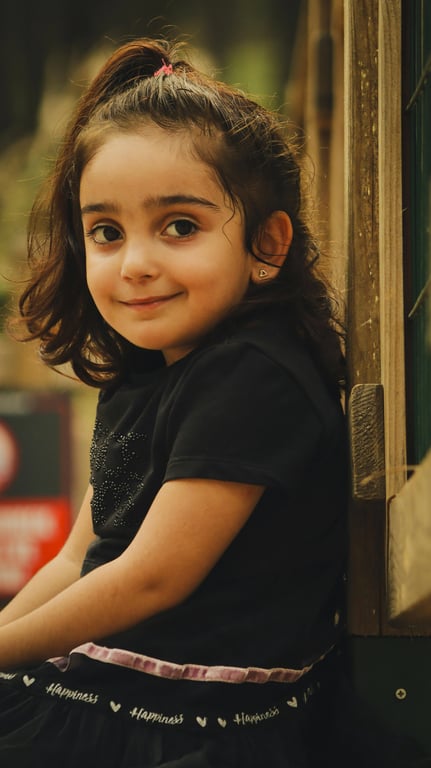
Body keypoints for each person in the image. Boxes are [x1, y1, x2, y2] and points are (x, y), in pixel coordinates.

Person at [0, 37, 349, 767]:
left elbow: (151, 577)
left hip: (189, 722)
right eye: (106, 232)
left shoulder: (254, 375)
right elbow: (77, 560)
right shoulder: (145, 378)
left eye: (179, 226)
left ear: (266, 244)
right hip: (118, 689)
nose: (135, 263)